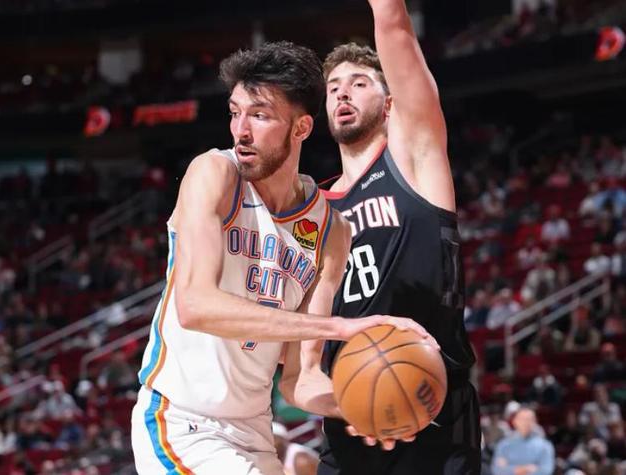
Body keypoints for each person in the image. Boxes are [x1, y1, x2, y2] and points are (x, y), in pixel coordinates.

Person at [130, 42, 430, 475]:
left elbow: (298, 379)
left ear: (301, 127)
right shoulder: (214, 175)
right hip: (179, 422)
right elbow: (195, 306)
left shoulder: (330, 231)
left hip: (255, 435)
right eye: (235, 112)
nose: (241, 131)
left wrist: (361, 404)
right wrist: (339, 327)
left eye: (260, 115)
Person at [316, 0, 480, 473]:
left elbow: (393, 25)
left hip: (435, 410)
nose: (343, 93)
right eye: (333, 87)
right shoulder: (311, 212)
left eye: (358, 83)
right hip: (351, 421)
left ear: (389, 103)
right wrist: (348, 405)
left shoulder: (414, 161)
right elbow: (301, 367)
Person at [491, 408, 554, 475]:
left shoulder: (545, 445)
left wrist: (509, 468)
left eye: (529, 419)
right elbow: (497, 470)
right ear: (514, 421)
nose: (525, 423)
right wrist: (519, 470)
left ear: (535, 422)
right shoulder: (504, 445)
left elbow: (546, 470)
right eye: (522, 419)